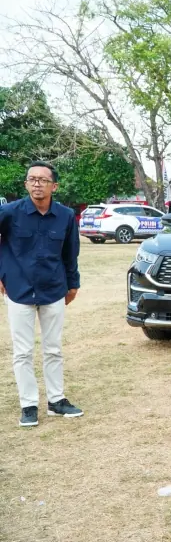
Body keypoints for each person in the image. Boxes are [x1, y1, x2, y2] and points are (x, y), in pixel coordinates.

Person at [0, 161, 82, 427]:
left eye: (43, 180)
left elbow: (71, 252)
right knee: (22, 352)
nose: (37, 183)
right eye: (32, 179)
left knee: (53, 349)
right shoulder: (9, 213)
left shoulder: (66, 215)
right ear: (26, 184)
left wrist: (72, 284)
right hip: (18, 290)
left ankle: (56, 401)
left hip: (53, 290)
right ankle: (28, 405)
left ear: (54, 186)